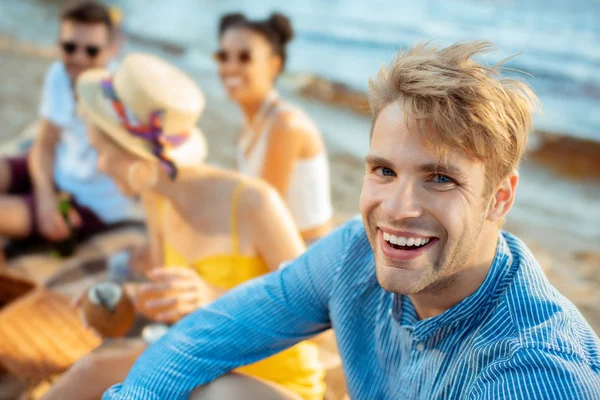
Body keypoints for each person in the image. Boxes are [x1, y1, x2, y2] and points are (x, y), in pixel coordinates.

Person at [103, 41, 600, 400]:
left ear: (500, 197)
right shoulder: (354, 254)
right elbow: (208, 335)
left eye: (441, 179)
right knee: (210, 391)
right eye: (384, 170)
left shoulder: (534, 370)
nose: (398, 208)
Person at [41, 53, 325, 400]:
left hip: (270, 387)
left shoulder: (254, 203)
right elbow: (173, 303)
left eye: (100, 151)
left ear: (138, 158)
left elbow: (323, 318)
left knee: (213, 393)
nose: (98, 166)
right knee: (90, 370)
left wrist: (213, 297)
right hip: (201, 364)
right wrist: (127, 297)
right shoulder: (156, 198)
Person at [0, 1, 138, 247]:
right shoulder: (59, 73)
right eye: (69, 46)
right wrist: (45, 196)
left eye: (92, 51)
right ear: (58, 44)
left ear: (111, 50)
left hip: (90, 202)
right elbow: (45, 143)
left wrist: (52, 205)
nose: (79, 58)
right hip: (59, 171)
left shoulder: (121, 95)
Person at [216, 12, 333, 243]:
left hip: (305, 252)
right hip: (275, 242)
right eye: (223, 56)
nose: (230, 67)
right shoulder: (253, 121)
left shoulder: (286, 126)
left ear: (273, 65)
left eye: (245, 57)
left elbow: (265, 215)